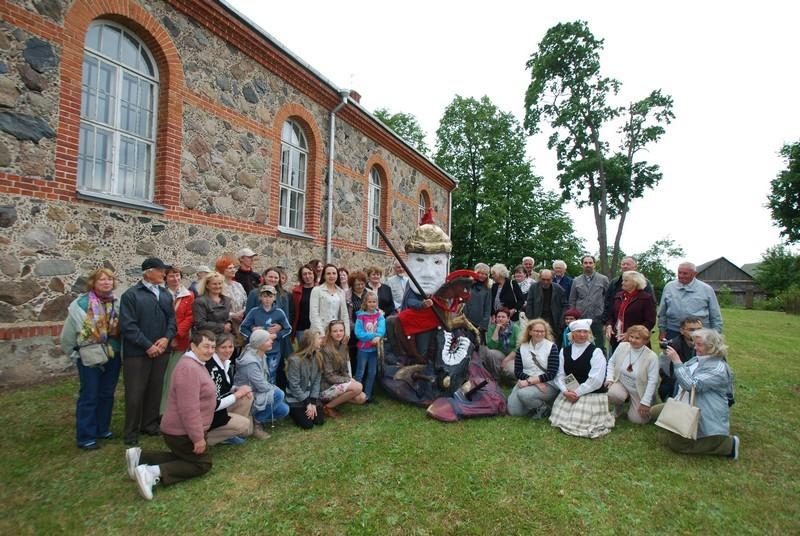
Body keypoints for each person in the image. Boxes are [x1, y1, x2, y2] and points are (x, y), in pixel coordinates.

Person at [125, 330, 217, 501]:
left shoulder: (196, 364)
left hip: (182, 431)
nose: (210, 350)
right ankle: (151, 473)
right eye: (206, 346)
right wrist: (197, 438)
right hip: (181, 432)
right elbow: (188, 408)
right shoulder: (189, 368)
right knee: (202, 464)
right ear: (193, 346)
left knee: (183, 458)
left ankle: (140, 457)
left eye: (213, 346)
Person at [60, 267, 122, 450]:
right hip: (89, 355)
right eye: (102, 280)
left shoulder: (116, 303)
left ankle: (102, 428)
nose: (106, 283)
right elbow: (67, 335)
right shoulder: (81, 305)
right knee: (90, 394)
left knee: (107, 393)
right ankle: (86, 435)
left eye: (109, 280)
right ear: (93, 283)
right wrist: (74, 353)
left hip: (113, 353)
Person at [120, 257, 176, 446]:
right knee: (135, 393)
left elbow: (172, 321)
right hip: (136, 353)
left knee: (155, 389)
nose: (163, 274)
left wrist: (166, 339)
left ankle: (150, 424)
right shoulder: (131, 295)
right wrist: (147, 345)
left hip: (162, 350)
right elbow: (128, 326)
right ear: (148, 272)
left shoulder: (165, 294)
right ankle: (131, 431)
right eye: (160, 271)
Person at [659, 328, 739, 459]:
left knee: (677, 445)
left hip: (704, 411)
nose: (695, 347)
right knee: (655, 412)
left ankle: (727, 445)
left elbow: (690, 385)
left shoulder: (718, 369)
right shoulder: (698, 359)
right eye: (694, 343)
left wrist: (676, 361)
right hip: (686, 404)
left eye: (699, 345)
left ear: (711, 346)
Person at [549, 319, 614, 438]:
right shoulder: (564, 351)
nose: (582, 335)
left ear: (589, 334)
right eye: (578, 332)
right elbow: (560, 374)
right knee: (563, 419)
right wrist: (565, 391)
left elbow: (596, 380)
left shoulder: (596, 352)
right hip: (570, 390)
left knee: (579, 422)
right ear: (572, 334)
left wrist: (577, 392)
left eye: (585, 332)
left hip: (590, 392)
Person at [233, 330, 290, 438]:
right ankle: (257, 423)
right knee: (278, 394)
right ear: (259, 343)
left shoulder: (260, 354)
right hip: (248, 396)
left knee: (284, 410)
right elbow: (262, 386)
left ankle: (256, 416)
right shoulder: (250, 361)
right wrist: (274, 389)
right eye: (267, 340)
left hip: (258, 391)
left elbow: (264, 382)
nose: (271, 341)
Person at [205, 333, 254, 446]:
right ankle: (205, 438)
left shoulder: (225, 363)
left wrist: (237, 388)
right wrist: (236, 395)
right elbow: (214, 404)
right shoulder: (212, 368)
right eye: (223, 347)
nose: (228, 350)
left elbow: (224, 386)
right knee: (245, 425)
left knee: (246, 396)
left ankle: (228, 434)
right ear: (216, 349)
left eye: (230, 346)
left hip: (219, 408)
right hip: (209, 413)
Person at [507, 318, 560, 419]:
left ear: (545, 332)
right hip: (527, 381)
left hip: (547, 384)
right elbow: (518, 372)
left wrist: (532, 381)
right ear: (530, 332)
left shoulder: (551, 347)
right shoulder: (522, 347)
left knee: (523, 394)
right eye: (536, 331)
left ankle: (543, 408)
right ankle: (532, 404)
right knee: (514, 411)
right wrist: (532, 381)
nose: (539, 334)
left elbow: (552, 373)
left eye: (542, 331)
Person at [605, 325, 659, 424]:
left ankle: (646, 403)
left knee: (638, 420)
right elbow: (611, 362)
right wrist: (609, 378)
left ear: (645, 340)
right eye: (631, 336)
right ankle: (619, 408)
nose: (633, 340)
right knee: (613, 393)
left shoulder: (652, 357)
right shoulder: (622, 346)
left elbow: (653, 381)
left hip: (638, 389)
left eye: (637, 338)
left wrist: (645, 402)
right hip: (622, 382)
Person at [240, 285, 292, 385]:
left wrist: (276, 336)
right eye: (264, 296)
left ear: (274, 298)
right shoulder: (254, 312)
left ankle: (271, 396)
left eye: (270, 296)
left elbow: (288, 329)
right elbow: (243, 328)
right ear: (260, 297)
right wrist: (254, 336)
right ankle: (257, 396)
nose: (267, 299)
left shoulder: (279, 312)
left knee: (271, 374)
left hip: (274, 350)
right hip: (257, 351)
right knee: (256, 374)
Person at [658, 262, 723, 340]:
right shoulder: (669, 287)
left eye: (685, 273)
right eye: (679, 273)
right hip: (673, 330)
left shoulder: (707, 289)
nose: (681, 276)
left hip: (699, 332)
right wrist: (662, 330)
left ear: (694, 274)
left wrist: (716, 334)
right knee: (672, 352)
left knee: (698, 352)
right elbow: (662, 312)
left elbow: (715, 314)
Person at [161, 266, 194, 414]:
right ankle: (160, 409)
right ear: (165, 278)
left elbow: (189, 317)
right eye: (171, 276)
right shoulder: (161, 294)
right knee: (162, 377)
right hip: (162, 340)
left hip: (180, 341)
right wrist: (168, 337)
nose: (175, 279)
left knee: (175, 377)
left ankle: (171, 410)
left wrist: (177, 335)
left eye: (177, 276)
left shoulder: (188, 295)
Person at [319, 320, 366, 418]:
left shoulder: (343, 345)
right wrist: (348, 380)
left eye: (341, 330)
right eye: (335, 331)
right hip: (325, 386)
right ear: (330, 333)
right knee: (358, 387)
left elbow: (344, 370)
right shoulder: (325, 349)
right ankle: (328, 407)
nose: (338, 333)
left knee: (361, 398)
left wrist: (349, 378)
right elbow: (328, 376)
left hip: (337, 382)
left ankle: (330, 403)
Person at [604, 271, 657, 353]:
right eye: (623, 280)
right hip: (616, 339)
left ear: (635, 283)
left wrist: (631, 334)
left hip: (636, 341)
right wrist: (609, 325)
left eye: (625, 281)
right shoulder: (618, 296)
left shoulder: (645, 298)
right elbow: (611, 314)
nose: (622, 283)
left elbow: (650, 321)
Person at [286, 329, 326, 429]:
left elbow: (317, 381)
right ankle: (293, 411)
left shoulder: (318, 357)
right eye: (318, 338)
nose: (321, 340)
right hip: (296, 398)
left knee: (319, 421)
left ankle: (310, 407)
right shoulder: (295, 360)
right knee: (307, 425)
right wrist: (307, 403)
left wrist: (312, 402)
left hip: (310, 395)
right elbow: (294, 385)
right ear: (310, 341)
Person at [568, 255, 609, 350]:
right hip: (581, 318)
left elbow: (608, 299)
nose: (588, 265)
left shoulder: (603, 279)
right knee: (581, 344)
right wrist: (573, 317)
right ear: (582, 265)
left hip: (598, 317)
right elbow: (572, 299)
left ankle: (601, 364)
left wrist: (606, 318)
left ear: (594, 265)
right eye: (585, 263)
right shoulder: (576, 280)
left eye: (590, 263)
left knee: (599, 345)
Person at [658, 316, 703, 403]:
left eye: (699, 329)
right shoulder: (671, 348)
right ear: (682, 331)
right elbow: (667, 376)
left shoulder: (711, 347)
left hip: (702, 387)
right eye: (691, 330)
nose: (697, 333)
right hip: (678, 387)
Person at [603, 256, 655, 327]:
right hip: (615, 327)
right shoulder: (614, 282)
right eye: (623, 264)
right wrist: (608, 322)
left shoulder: (645, 283)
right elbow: (608, 303)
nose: (625, 266)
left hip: (636, 329)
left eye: (628, 264)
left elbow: (651, 310)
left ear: (635, 267)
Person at [354, 291, 386, 403]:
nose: (372, 304)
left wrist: (379, 336)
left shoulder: (380, 316)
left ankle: (367, 395)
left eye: (374, 302)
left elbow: (382, 329)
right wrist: (374, 336)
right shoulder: (361, 316)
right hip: (363, 349)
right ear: (366, 303)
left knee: (372, 372)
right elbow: (359, 333)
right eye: (370, 302)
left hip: (374, 350)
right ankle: (355, 394)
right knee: (360, 371)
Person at [525, 269, 568, 343]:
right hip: (538, 318)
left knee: (552, 341)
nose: (545, 282)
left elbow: (565, 305)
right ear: (539, 278)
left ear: (552, 278)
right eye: (543, 279)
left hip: (553, 320)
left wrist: (561, 321)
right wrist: (530, 319)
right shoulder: (534, 287)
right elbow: (529, 303)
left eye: (548, 280)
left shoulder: (558, 288)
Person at [309, 263, 351, 337]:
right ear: (324, 276)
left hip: (336, 332)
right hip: (320, 331)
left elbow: (344, 314)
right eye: (328, 274)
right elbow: (314, 314)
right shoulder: (317, 290)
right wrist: (321, 333)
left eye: (334, 273)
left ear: (337, 275)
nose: (331, 276)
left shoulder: (341, 292)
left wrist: (346, 333)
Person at [484, 308, 518, 384]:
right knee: (490, 352)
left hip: (513, 357)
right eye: (498, 317)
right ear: (495, 318)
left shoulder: (515, 328)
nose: (500, 319)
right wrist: (497, 329)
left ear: (508, 319)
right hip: (500, 355)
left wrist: (506, 360)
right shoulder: (492, 328)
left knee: (511, 371)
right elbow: (491, 346)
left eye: (503, 317)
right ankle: (496, 379)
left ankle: (509, 380)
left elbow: (519, 347)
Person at [216, 256, 247, 338]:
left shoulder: (238, 285)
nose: (233, 270)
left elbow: (246, 301)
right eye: (230, 268)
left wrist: (243, 312)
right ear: (222, 270)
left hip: (241, 321)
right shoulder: (218, 286)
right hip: (225, 323)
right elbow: (216, 306)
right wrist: (233, 315)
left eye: (234, 268)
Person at [463, 262, 492, 346]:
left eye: (485, 274)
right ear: (475, 272)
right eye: (480, 273)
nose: (482, 276)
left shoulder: (487, 289)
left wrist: (483, 324)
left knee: (476, 346)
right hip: (465, 320)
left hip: (479, 322)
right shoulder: (467, 285)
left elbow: (488, 307)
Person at [291, 264, 316, 342]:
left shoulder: (321, 290)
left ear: (314, 274)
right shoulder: (296, 291)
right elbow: (294, 311)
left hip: (316, 327)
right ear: (301, 276)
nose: (307, 276)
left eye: (310, 273)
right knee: (303, 352)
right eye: (304, 274)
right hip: (301, 328)